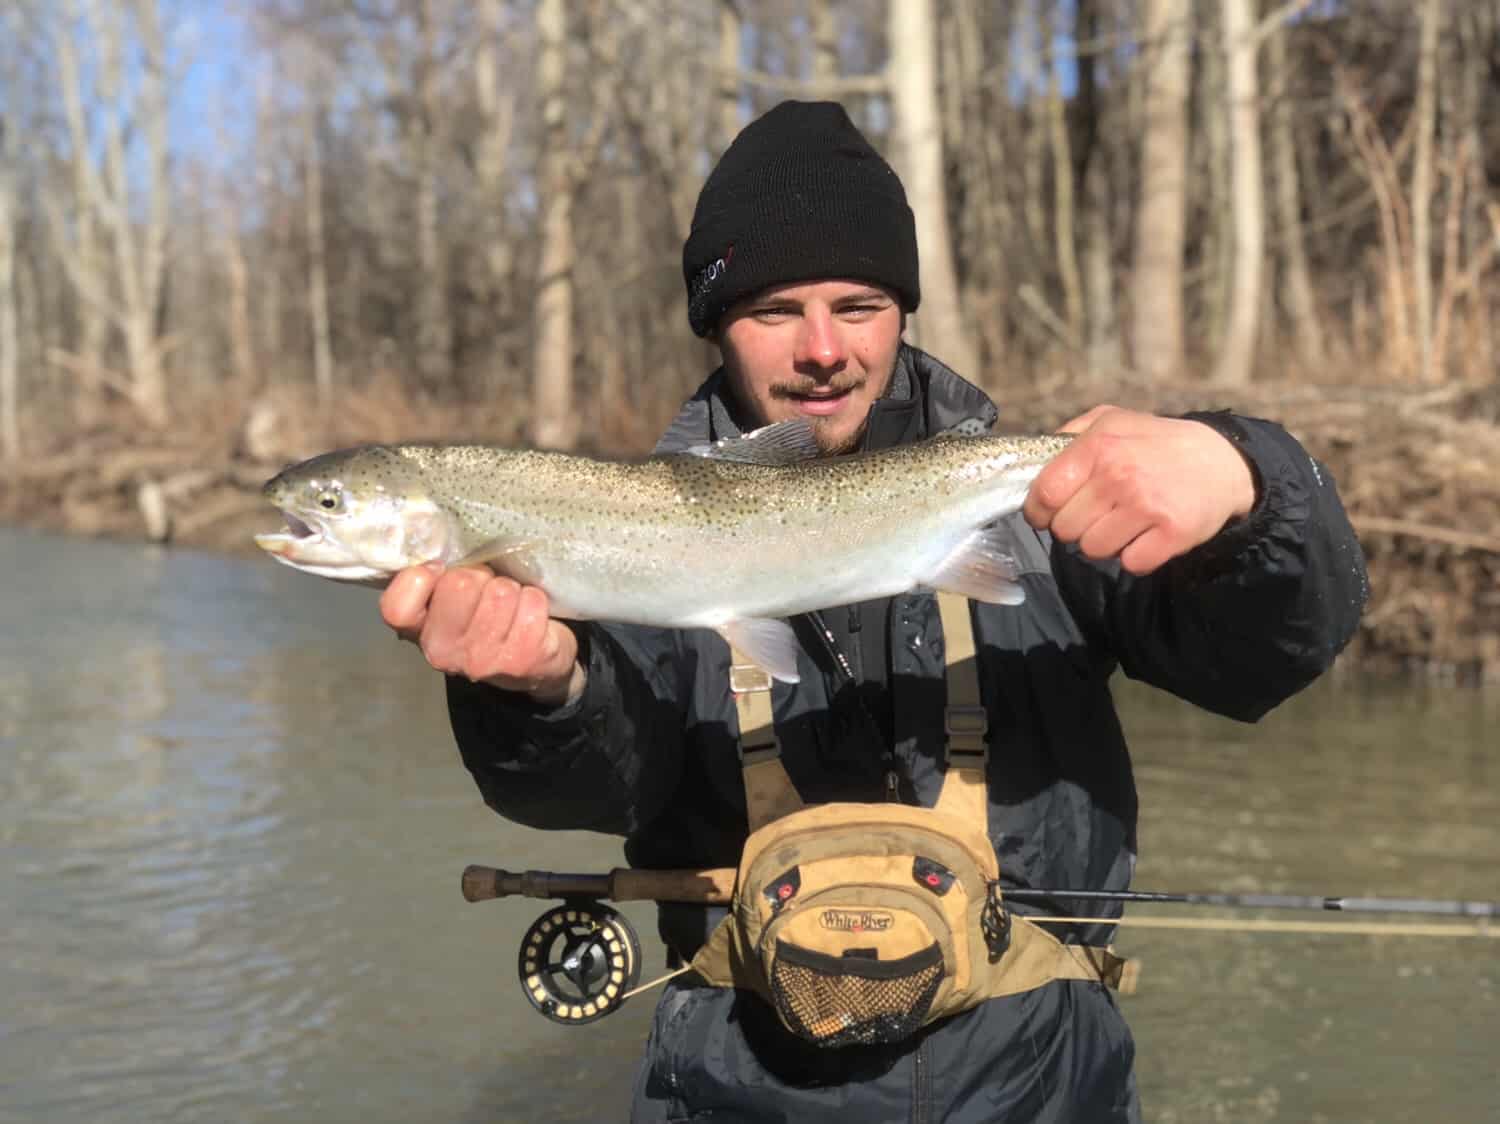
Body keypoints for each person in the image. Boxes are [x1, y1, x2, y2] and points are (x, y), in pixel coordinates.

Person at [380, 101, 1368, 1122]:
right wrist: (540, 691)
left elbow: (1276, 654)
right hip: (738, 1087)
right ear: (718, 323)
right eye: (774, 311)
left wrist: (1249, 480)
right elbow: (596, 788)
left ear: (903, 310)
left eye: (857, 304)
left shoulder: (1047, 506)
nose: (821, 348)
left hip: (1039, 1087)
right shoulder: (639, 523)